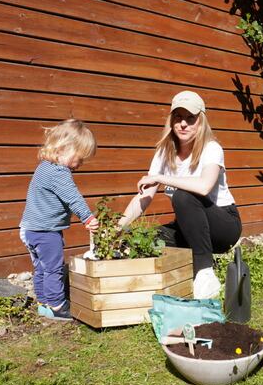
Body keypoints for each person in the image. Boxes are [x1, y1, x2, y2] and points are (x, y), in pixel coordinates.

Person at [119, 91, 242, 299]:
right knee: (140, 239)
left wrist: (160, 178)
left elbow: (203, 187)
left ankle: (204, 273)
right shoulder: (164, 153)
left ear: (200, 121)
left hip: (224, 226)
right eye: (178, 117)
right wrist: (118, 227)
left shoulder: (211, 148)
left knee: (183, 196)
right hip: (192, 227)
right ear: (171, 121)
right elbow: (144, 197)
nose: (183, 124)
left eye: (190, 118)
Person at [20, 119, 100, 320]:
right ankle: (57, 305)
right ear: (65, 148)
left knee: (41, 268)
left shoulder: (44, 167)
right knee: (54, 269)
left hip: (31, 229)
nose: (80, 164)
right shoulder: (58, 172)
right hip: (46, 231)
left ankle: (43, 302)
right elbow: (73, 197)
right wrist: (88, 217)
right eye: (79, 158)